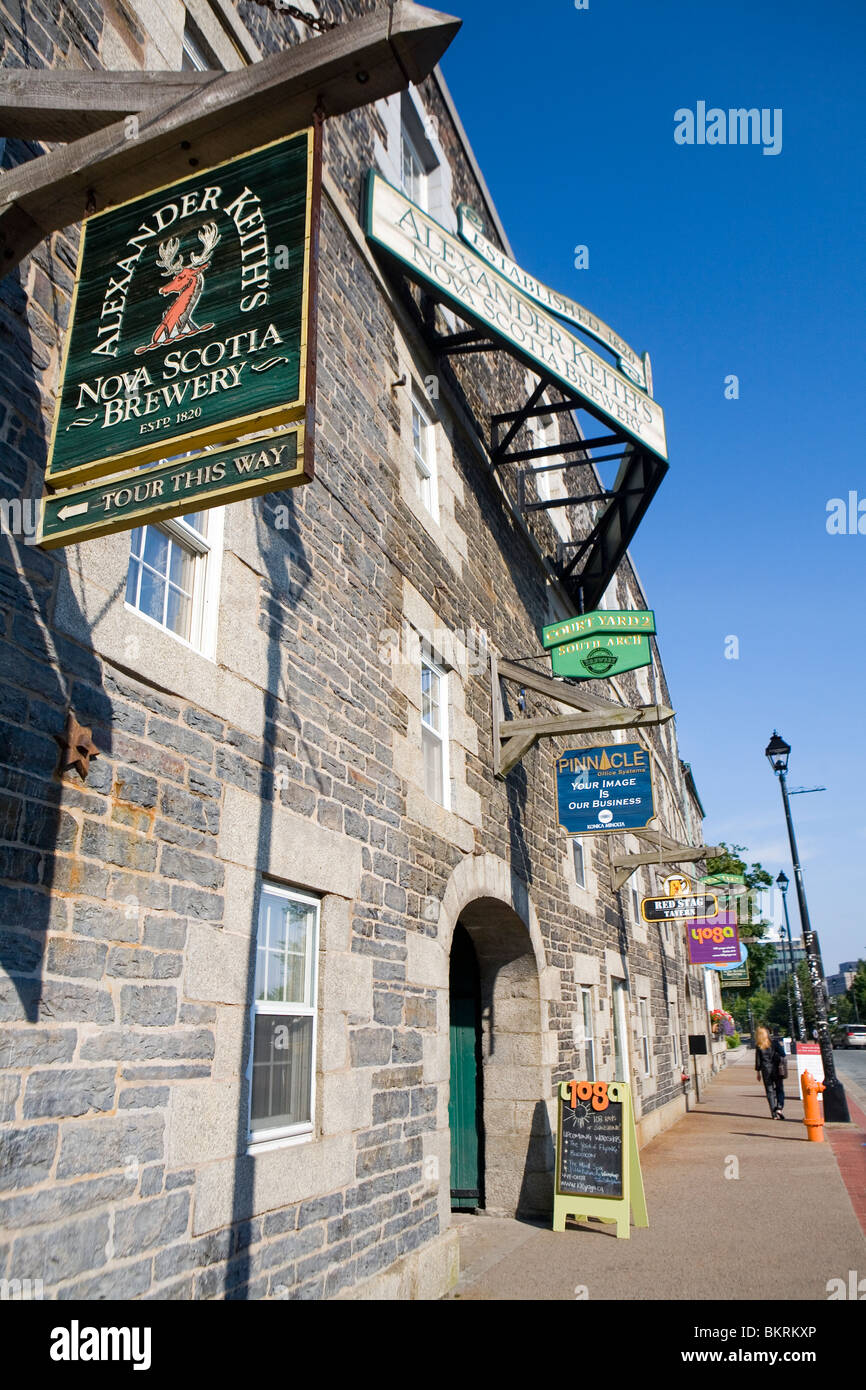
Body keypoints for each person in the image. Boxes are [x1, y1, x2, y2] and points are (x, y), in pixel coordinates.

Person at [755, 1024, 786, 1119]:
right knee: (780, 1088)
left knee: (769, 1091)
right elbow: (783, 1054)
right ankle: (779, 1108)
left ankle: (773, 1114)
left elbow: (758, 1061)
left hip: (766, 1070)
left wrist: (758, 1073)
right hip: (776, 1068)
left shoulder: (759, 1046)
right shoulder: (775, 1043)